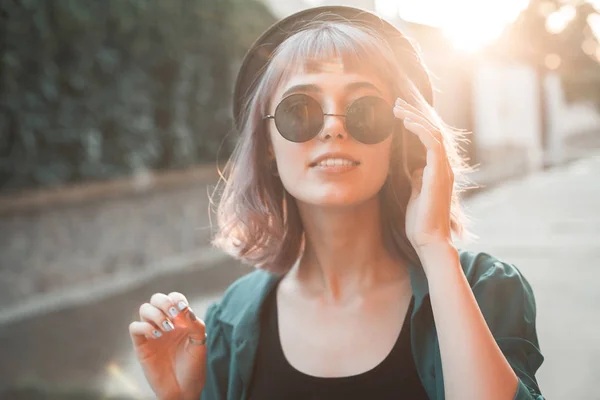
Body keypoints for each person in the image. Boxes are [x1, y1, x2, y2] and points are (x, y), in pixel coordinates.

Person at [128, 6, 544, 400]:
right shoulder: (228, 321)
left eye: (364, 109)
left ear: (400, 137)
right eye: (300, 109)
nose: (333, 128)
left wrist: (435, 247)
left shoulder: (485, 290)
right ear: (268, 146)